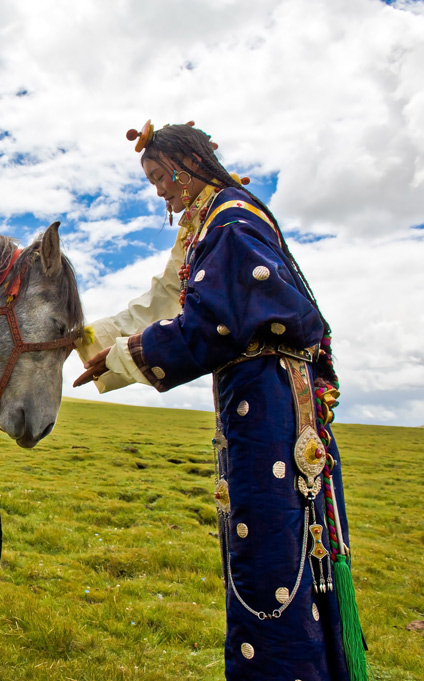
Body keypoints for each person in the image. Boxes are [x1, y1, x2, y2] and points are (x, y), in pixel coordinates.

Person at [74, 120, 368, 681]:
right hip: (255, 397)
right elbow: (164, 303)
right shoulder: (208, 226)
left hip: (268, 402)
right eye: (152, 180)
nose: (159, 190)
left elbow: (210, 322)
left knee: (272, 551)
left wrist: (117, 359)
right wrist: (84, 337)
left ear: (188, 165)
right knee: (265, 543)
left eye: (161, 176)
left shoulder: (230, 221)